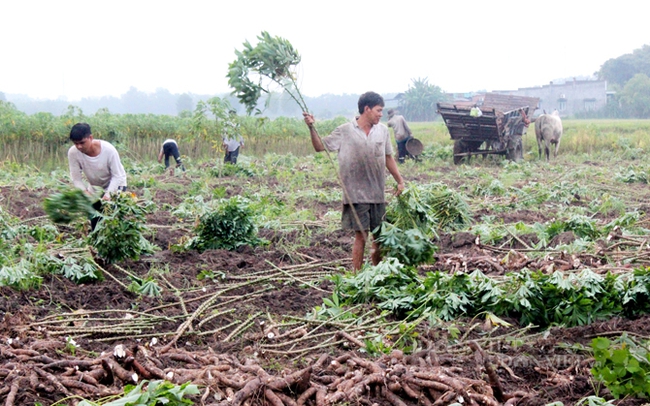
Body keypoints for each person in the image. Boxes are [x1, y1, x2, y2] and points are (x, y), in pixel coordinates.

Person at [303, 91, 405, 271]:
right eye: (378, 110)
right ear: (367, 109)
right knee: (361, 235)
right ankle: (357, 275)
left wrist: (400, 181)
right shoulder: (344, 131)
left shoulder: (382, 131)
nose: (381, 114)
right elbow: (320, 146)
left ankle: (377, 272)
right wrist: (312, 127)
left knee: (379, 236)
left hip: (377, 193)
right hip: (355, 194)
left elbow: (388, 157)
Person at [68, 122, 127, 229]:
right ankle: (96, 243)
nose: (79, 147)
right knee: (95, 220)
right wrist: (85, 193)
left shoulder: (109, 150)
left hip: (116, 186)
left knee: (112, 219)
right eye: (75, 143)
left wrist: (108, 195)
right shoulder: (73, 153)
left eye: (82, 142)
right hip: (95, 189)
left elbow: (117, 176)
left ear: (90, 138)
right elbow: (76, 179)